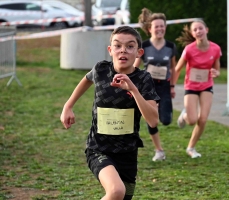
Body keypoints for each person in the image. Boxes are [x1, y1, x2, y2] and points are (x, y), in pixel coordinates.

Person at [60, 26, 160, 200]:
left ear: (138, 52)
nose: (123, 50)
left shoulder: (144, 79)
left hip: (127, 152)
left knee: (121, 196)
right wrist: (68, 106)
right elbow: (85, 80)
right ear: (110, 50)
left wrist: (134, 90)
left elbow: (152, 121)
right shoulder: (101, 70)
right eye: (118, 45)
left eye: (130, 46)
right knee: (116, 191)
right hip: (98, 148)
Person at [134, 8, 177, 161]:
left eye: (162, 26)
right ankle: (159, 150)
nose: (160, 28)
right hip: (148, 87)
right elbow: (135, 67)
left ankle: (160, 112)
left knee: (166, 120)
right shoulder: (144, 47)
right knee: (152, 120)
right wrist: (135, 83)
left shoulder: (170, 47)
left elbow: (173, 68)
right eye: (156, 26)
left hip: (164, 86)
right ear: (150, 28)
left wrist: (172, 86)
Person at [174, 19, 221, 158]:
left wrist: (216, 73)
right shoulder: (189, 49)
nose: (198, 31)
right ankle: (185, 115)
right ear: (192, 34)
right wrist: (171, 85)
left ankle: (191, 148)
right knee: (192, 120)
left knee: (203, 119)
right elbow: (177, 68)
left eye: (200, 28)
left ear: (206, 30)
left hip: (207, 85)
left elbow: (217, 70)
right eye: (195, 30)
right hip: (191, 86)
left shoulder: (216, 48)